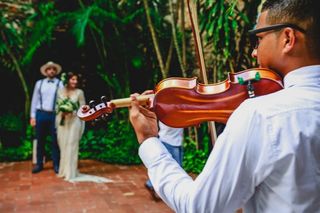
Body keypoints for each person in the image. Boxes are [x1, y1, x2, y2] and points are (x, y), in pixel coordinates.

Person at [129, 0, 320, 212]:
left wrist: (148, 141)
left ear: (288, 39)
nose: (255, 53)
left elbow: (200, 207)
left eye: (258, 39)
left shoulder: (261, 115)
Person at [56, 72, 112, 183]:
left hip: (74, 121)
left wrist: (73, 111)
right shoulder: (60, 91)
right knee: (63, 145)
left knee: (72, 145)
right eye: (72, 79)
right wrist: (62, 112)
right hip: (63, 121)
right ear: (67, 80)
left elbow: (83, 108)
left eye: (76, 80)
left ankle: (71, 172)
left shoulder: (79, 92)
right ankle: (63, 170)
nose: (75, 82)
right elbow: (57, 106)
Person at [30, 61, 63, 174]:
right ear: (46, 71)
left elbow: (63, 100)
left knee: (55, 140)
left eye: (53, 69)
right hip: (41, 114)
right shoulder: (39, 83)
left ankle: (56, 164)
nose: (51, 71)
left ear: (55, 71)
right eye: (49, 69)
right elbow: (34, 100)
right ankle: (39, 164)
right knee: (40, 140)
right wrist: (33, 116)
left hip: (54, 115)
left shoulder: (60, 83)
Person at [145, 121, 184, 201]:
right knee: (176, 170)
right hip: (171, 142)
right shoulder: (171, 113)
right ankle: (151, 184)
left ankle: (151, 184)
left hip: (171, 141)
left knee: (170, 168)